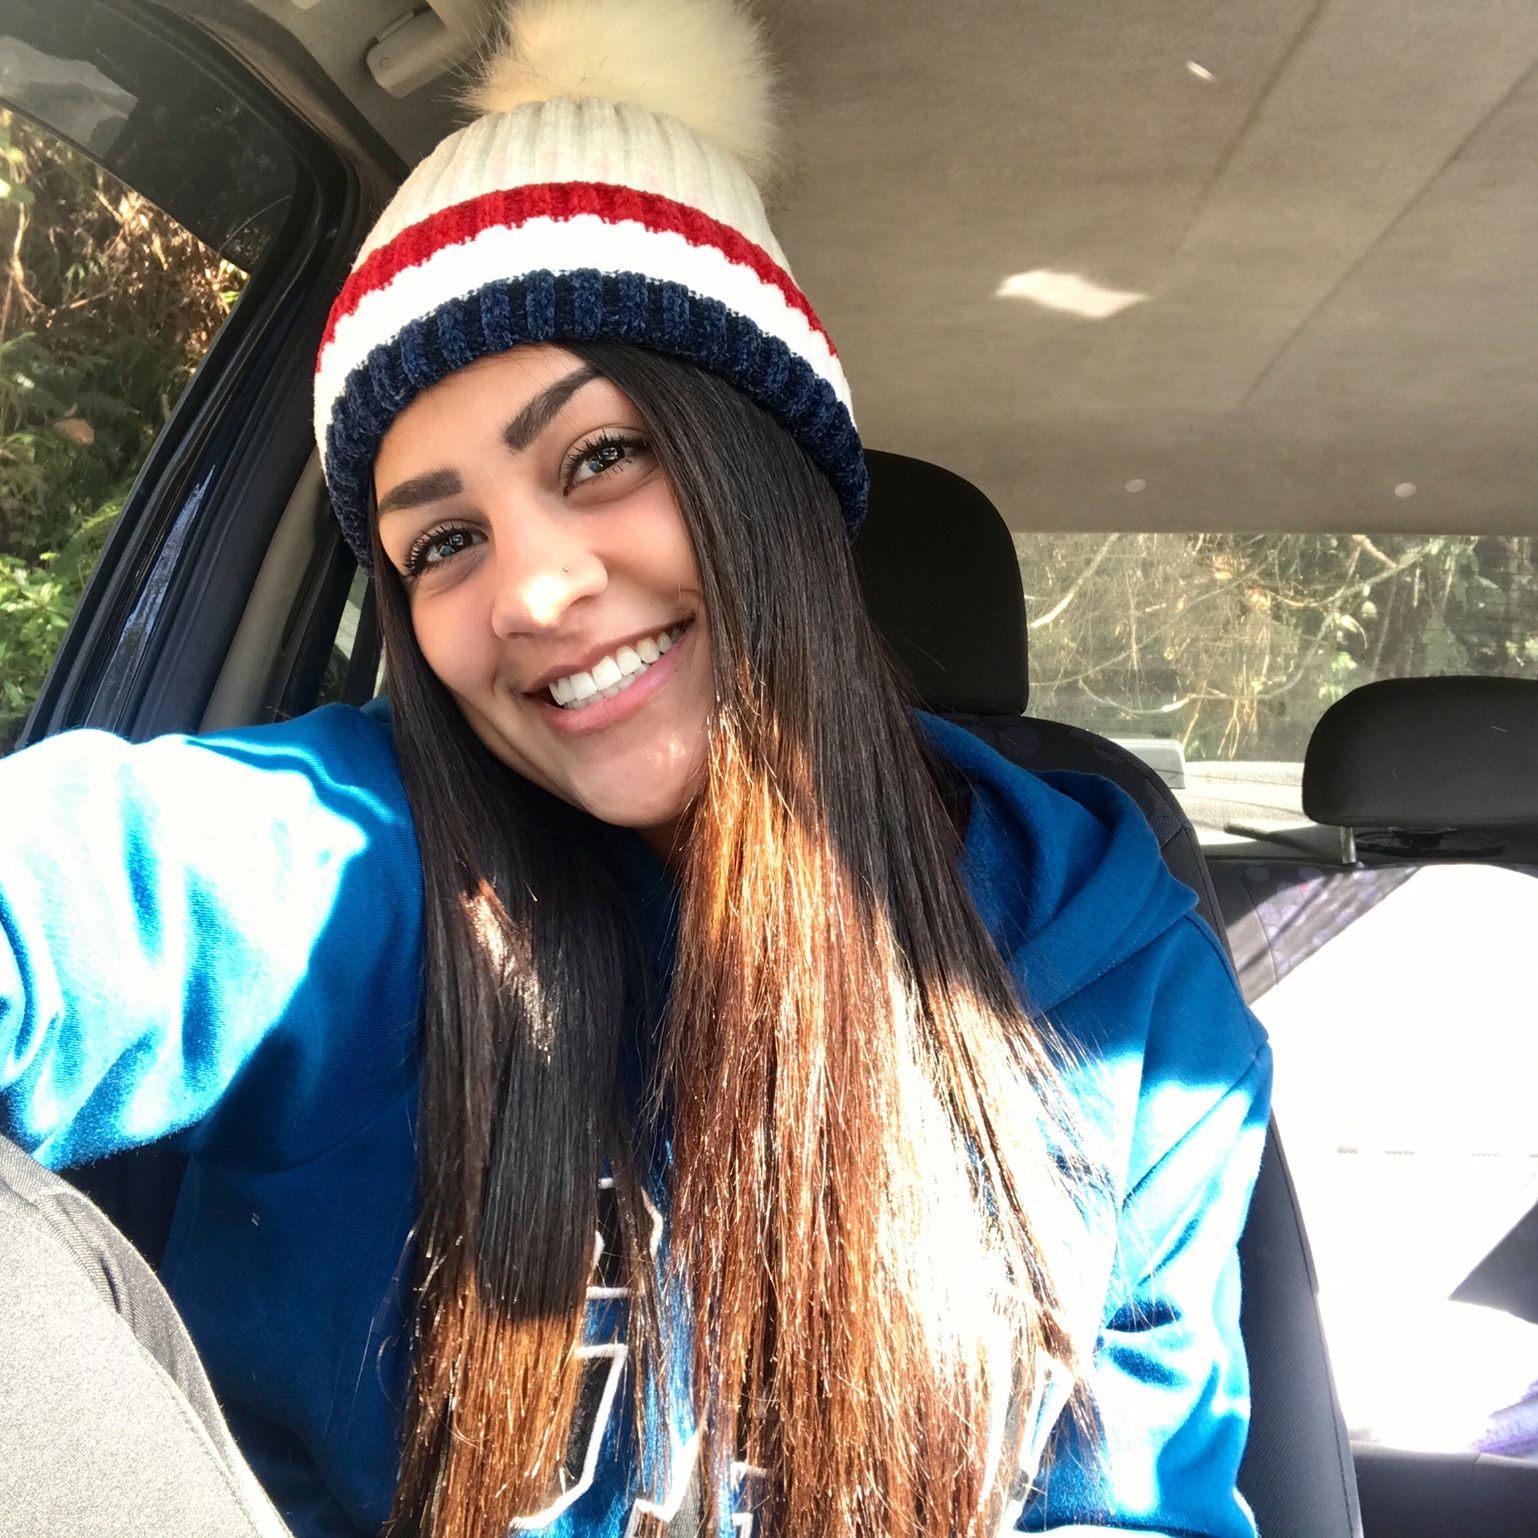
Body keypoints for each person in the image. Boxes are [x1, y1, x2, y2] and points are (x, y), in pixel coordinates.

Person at [0, 2, 1271, 1535]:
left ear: (767, 469)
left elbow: (1137, 1500)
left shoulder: (1121, 987)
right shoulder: (357, 859)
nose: (532, 592)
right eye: (443, 541)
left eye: (599, 456)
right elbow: (78, 886)